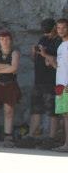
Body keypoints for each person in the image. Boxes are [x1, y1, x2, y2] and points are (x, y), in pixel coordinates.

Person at [24, 19, 58, 147]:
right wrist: (34, 53)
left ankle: (51, 138)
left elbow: (55, 61)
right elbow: (36, 59)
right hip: (38, 80)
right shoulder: (42, 39)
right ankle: (32, 136)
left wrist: (44, 54)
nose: (45, 29)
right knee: (36, 109)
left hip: (52, 80)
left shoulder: (57, 41)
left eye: (47, 27)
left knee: (52, 110)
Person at [51, 19, 68, 152]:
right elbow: (59, 66)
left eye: (63, 28)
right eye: (58, 28)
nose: (61, 30)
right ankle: (66, 144)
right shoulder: (61, 46)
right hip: (60, 85)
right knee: (65, 115)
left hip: (67, 85)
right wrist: (47, 56)